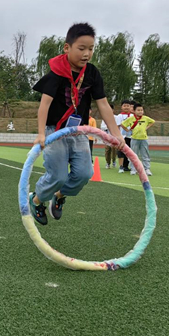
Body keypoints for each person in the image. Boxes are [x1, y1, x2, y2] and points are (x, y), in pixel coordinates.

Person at [29, 22, 125, 225]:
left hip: (78, 131)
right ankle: (36, 200)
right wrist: (40, 133)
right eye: (81, 48)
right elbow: (44, 105)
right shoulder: (57, 72)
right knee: (58, 175)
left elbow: (104, 105)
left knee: (84, 173)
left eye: (90, 49)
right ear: (67, 48)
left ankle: (60, 196)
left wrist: (116, 134)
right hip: (54, 130)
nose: (86, 54)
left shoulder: (92, 73)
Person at [121, 103, 155, 176]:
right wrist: (127, 130)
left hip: (144, 139)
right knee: (133, 154)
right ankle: (133, 168)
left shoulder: (145, 118)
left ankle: (147, 168)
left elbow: (152, 122)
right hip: (134, 139)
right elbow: (123, 124)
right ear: (134, 111)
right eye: (138, 110)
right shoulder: (131, 119)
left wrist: (147, 128)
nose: (140, 112)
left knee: (145, 154)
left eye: (141, 110)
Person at [116, 99, 134, 173]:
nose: (126, 107)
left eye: (128, 106)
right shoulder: (119, 116)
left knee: (129, 152)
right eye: (124, 106)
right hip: (122, 137)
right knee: (121, 151)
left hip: (131, 137)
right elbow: (117, 126)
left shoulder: (133, 115)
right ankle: (121, 166)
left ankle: (126, 166)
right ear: (121, 107)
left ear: (130, 107)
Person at [100, 103, 117, 169]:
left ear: (113, 110)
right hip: (107, 137)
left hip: (114, 137)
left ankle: (114, 161)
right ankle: (108, 163)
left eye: (111, 109)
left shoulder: (116, 117)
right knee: (107, 150)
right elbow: (102, 127)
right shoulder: (104, 118)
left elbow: (117, 126)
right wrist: (109, 126)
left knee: (114, 150)